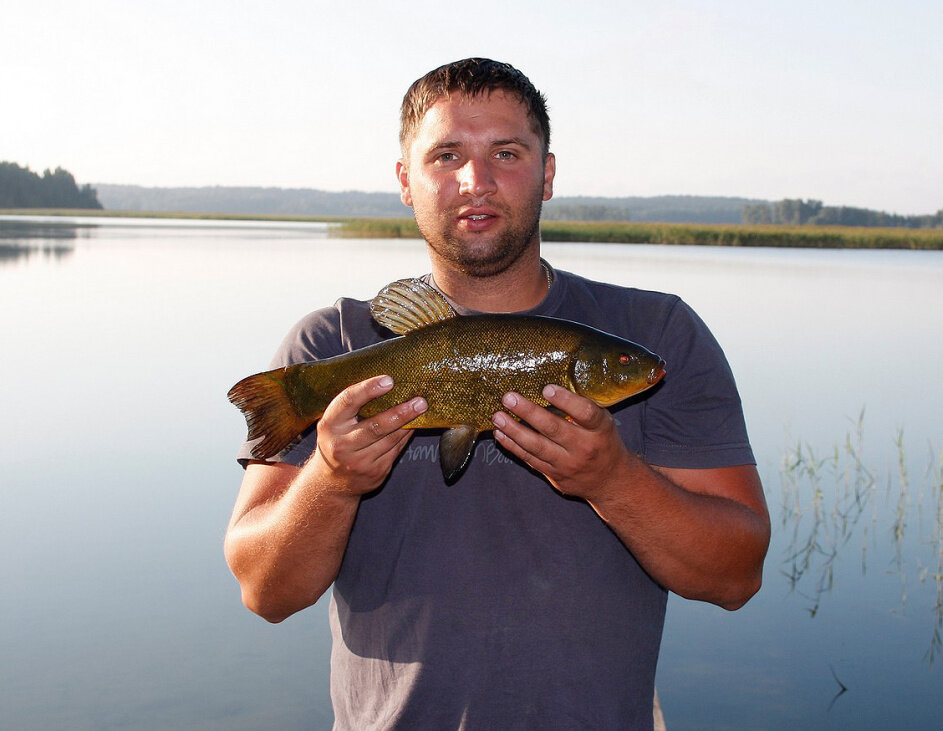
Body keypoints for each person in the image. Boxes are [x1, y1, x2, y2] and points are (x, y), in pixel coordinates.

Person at [225, 58, 770, 729]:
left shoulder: (659, 332)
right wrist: (331, 481)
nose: (474, 182)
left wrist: (613, 479)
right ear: (405, 180)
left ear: (547, 173)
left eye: (506, 154)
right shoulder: (329, 346)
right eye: (446, 154)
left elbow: (738, 575)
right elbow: (264, 590)